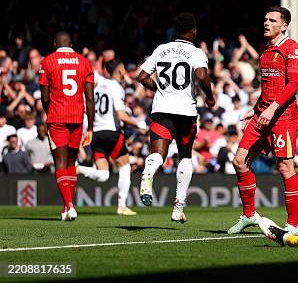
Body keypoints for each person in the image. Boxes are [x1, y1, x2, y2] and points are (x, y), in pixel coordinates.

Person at [227, 6, 298, 235]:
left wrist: (271, 109)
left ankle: (293, 225)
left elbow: (292, 85)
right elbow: (269, 87)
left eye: (272, 20)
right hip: (262, 114)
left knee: (284, 166)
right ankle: (249, 215)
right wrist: (256, 109)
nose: (266, 23)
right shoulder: (265, 51)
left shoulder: (293, 49)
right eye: (265, 19)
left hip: (283, 117)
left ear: (284, 26)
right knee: (239, 161)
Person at [137, 13, 216, 223]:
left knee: (158, 155)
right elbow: (201, 76)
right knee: (185, 156)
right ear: (194, 31)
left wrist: (159, 88)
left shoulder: (161, 49)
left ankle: (148, 171)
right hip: (185, 112)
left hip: (161, 109)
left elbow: (141, 76)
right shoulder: (195, 52)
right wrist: (210, 97)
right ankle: (178, 207)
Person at [77, 59, 145, 216]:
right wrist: (138, 125)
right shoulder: (116, 87)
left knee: (103, 175)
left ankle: (78, 169)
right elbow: (121, 115)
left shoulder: (98, 86)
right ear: (120, 70)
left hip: (96, 134)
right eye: (123, 69)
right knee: (125, 167)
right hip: (112, 133)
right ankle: (122, 205)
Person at [39, 31, 95, 221]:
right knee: (72, 163)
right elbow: (89, 99)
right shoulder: (85, 62)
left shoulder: (47, 62)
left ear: (55, 44)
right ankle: (67, 207)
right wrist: (91, 128)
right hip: (77, 118)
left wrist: (50, 113)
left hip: (57, 118)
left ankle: (69, 206)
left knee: (61, 164)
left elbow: (45, 97)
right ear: (71, 44)